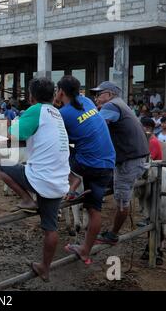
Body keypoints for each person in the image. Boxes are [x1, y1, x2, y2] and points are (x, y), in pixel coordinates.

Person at [0, 77, 70, 282]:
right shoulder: (56, 113)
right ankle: (45, 268)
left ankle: (27, 199)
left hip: (41, 177)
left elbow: (13, 133)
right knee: (51, 227)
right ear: (53, 94)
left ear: (31, 96)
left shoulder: (36, 110)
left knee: (3, 166)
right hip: (59, 179)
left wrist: (14, 124)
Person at [56, 75, 115, 264]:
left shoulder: (63, 114)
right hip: (108, 162)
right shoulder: (87, 101)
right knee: (94, 209)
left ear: (61, 92)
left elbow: (61, 138)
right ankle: (85, 250)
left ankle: (73, 181)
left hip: (88, 165)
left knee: (57, 150)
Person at [92, 81, 149, 245]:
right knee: (112, 187)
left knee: (122, 200)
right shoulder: (120, 104)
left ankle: (112, 235)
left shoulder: (110, 106)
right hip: (135, 157)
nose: (96, 98)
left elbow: (95, 127)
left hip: (129, 161)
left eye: (99, 94)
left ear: (109, 94)